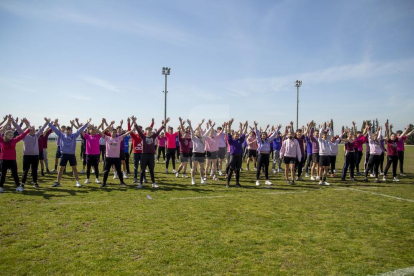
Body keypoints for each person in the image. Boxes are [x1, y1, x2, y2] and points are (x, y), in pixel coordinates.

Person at [49, 117, 90, 187]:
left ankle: (77, 182)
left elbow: (80, 129)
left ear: (71, 131)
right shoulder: (62, 135)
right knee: (61, 168)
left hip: (71, 155)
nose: (68, 131)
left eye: (69, 130)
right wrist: (49, 123)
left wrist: (87, 123)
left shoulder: (74, 135)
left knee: (74, 168)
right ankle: (58, 182)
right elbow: (55, 129)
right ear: (65, 131)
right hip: (64, 155)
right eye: (67, 130)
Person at [134, 117, 169, 188]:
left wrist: (164, 124)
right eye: (148, 130)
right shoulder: (143, 137)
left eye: (150, 130)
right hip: (144, 155)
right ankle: (140, 183)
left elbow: (159, 131)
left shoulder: (153, 137)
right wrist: (134, 122)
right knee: (142, 170)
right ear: (146, 131)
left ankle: (153, 183)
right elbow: (138, 129)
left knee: (151, 170)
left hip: (151, 155)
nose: (150, 131)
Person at [13, 117, 48, 188]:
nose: (32, 131)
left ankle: (35, 183)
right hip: (27, 156)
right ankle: (23, 183)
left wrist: (47, 122)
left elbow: (42, 129)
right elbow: (18, 128)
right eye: (31, 130)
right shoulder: (25, 136)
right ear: (28, 130)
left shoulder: (36, 135)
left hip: (35, 156)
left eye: (33, 130)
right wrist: (12, 121)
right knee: (25, 170)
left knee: (34, 170)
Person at [0, 116, 30, 192]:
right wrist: (7, 121)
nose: (11, 136)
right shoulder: (2, 141)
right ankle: (0, 187)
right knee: (3, 174)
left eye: (12, 135)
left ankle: (18, 186)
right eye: (9, 135)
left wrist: (29, 128)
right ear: (5, 135)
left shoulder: (14, 140)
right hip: (4, 160)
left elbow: (22, 135)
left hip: (12, 160)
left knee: (15, 174)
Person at [101, 123, 131, 188]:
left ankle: (122, 182)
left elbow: (126, 134)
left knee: (119, 171)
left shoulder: (119, 138)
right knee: (106, 171)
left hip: (116, 158)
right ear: (110, 133)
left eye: (115, 132)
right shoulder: (107, 138)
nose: (114, 133)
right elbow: (101, 132)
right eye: (112, 132)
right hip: (108, 157)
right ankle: (104, 183)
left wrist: (132, 130)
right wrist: (108, 125)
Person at [187, 119, 213, 185]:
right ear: (195, 133)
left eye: (199, 132)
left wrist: (211, 126)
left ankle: (202, 179)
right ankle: (193, 180)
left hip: (202, 154)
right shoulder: (194, 138)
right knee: (194, 168)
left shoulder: (203, 138)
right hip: (195, 154)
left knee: (201, 168)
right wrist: (190, 124)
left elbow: (207, 132)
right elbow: (192, 131)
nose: (198, 132)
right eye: (197, 132)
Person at [254, 122, 280, 186]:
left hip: (266, 155)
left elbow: (273, 135)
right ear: (261, 135)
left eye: (265, 135)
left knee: (266, 168)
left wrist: (278, 129)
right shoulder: (259, 140)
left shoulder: (268, 140)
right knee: (259, 168)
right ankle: (257, 180)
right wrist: (256, 127)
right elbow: (257, 134)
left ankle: (267, 180)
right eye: (262, 135)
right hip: (261, 155)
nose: (264, 135)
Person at [226, 119, 248, 188]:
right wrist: (229, 125)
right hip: (233, 156)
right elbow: (228, 133)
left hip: (239, 157)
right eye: (235, 134)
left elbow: (244, 134)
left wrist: (246, 126)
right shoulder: (231, 141)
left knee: (238, 170)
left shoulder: (240, 140)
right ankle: (228, 183)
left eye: (237, 134)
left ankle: (237, 183)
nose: (237, 135)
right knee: (231, 169)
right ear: (233, 136)